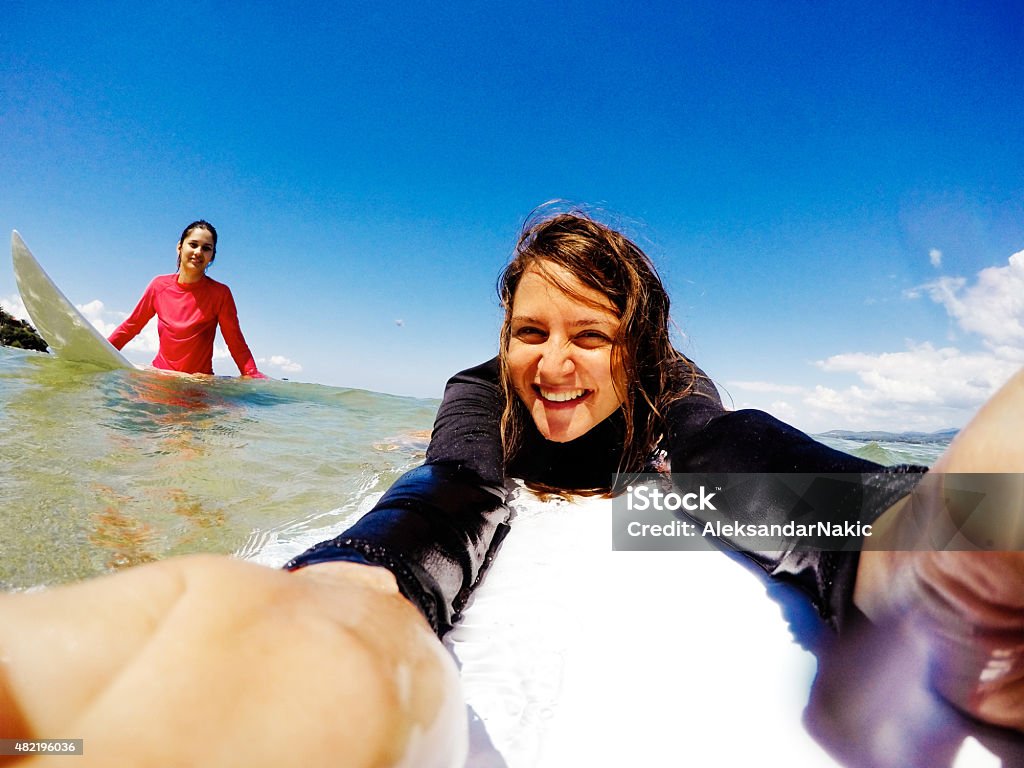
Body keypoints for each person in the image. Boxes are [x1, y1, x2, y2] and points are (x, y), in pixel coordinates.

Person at [0, 210, 1021, 766]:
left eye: (591, 337)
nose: (556, 363)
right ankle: (336, 621)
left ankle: (914, 545)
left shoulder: (673, 394)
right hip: (454, 480)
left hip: (694, 452)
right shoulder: (481, 391)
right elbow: (456, 488)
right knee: (452, 474)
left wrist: (891, 526)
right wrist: (345, 601)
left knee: (721, 454)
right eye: (531, 333)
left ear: (637, 347)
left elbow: (729, 459)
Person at [108, 220, 265, 377]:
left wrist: (253, 374)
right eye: (193, 244)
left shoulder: (220, 294)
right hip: (159, 379)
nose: (198, 252)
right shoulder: (159, 286)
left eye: (206, 248)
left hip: (197, 385)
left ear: (212, 256)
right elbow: (131, 327)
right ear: (179, 247)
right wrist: (99, 353)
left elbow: (236, 343)